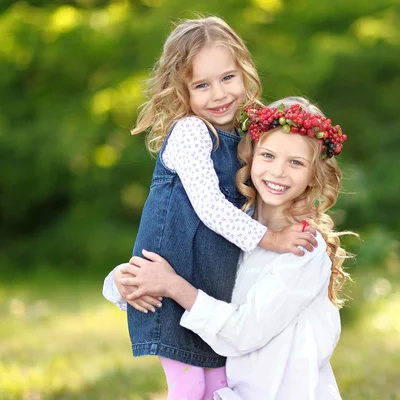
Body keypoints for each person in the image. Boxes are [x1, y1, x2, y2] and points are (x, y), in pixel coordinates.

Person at [104, 17, 318, 400]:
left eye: (228, 78)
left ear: (244, 72)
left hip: (209, 298)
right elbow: (210, 208)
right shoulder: (191, 133)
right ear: (181, 91)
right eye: (202, 85)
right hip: (170, 294)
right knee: (188, 388)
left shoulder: (243, 138)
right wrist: (271, 239)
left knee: (219, 388)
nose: (219, 94)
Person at [107, 97, 352, 399]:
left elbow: (244, 331)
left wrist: (173, 286)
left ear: (314, 176)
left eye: (296, 162)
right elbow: (181, 266)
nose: (278, 172)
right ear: (250, 157)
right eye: (268, 155)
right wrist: (125, 279)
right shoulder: (233, 227)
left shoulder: (303, 248)